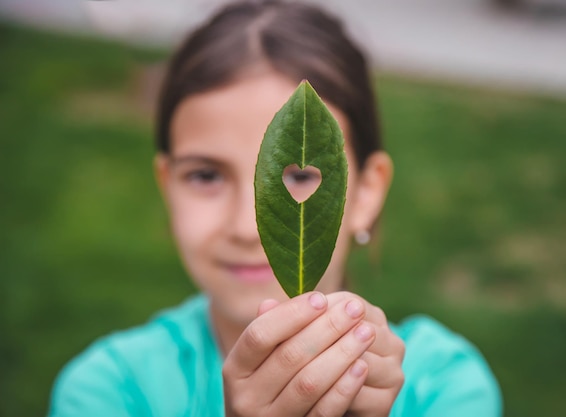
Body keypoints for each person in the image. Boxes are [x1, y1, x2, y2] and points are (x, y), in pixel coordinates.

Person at [48, 1, 502, 416]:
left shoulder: (446, 386)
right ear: (167, 186)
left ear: (365, 192)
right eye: (205, 175)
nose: (249, 227)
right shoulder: (109, 391)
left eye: (300, 176)